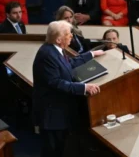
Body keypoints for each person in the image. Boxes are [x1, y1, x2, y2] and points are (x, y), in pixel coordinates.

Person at [32, 21, 105, 157]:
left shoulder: (55, 49)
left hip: (60, 112)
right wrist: (84, 87)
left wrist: (91, 54)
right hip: (52, 116)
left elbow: (69, 63)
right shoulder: (47, 55)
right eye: (68, 34)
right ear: (59, 39)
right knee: (53, 151)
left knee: (61, 148)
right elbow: (56, 83)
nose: (71, 36)